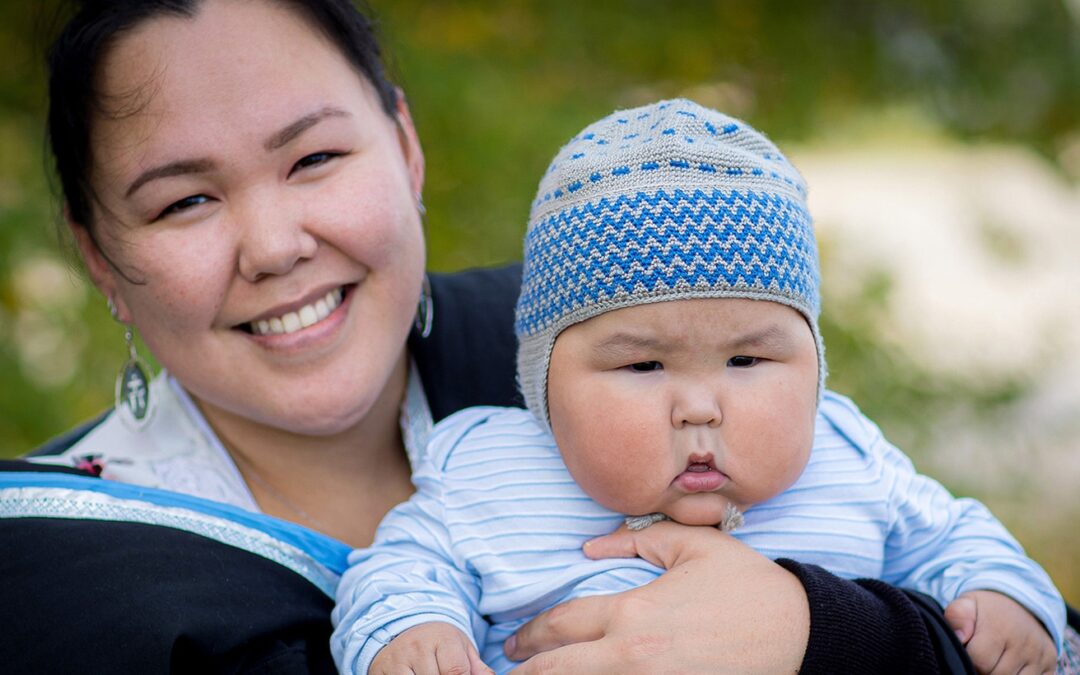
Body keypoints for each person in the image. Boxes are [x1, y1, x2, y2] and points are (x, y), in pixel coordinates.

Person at [2, 0, 1075, 672]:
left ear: (405, 148)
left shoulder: (604, 330)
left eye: (316, 159)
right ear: (103, 259)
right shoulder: (56, 576)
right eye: (184, 202)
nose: (275, 244)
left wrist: (824, 634)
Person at [331, 100, 1070, 675]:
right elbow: (402, 564)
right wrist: (412, 630)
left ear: (814, 366)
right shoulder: (494, 473)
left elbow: (956, 536)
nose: (699, 405)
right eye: (643, 367)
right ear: (543, 386)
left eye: (747, 361)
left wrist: (1003, 597)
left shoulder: (848, 461)